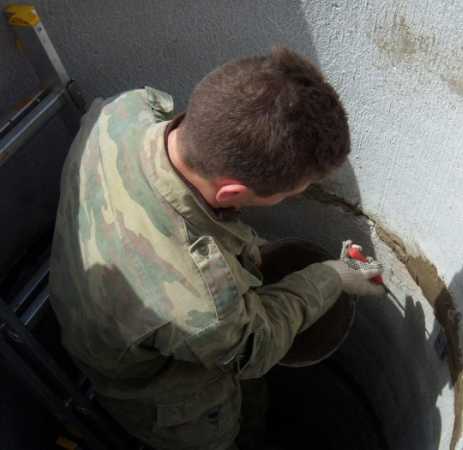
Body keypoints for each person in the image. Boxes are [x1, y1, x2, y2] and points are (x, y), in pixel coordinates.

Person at [49, 47, 385, 450]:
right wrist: (332, 277)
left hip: (86, 311)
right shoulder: (201, 302)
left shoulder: (123, 111)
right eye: (289, 194)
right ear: (232, 193)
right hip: (157, 397)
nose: (290, 198)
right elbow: (254, 349)